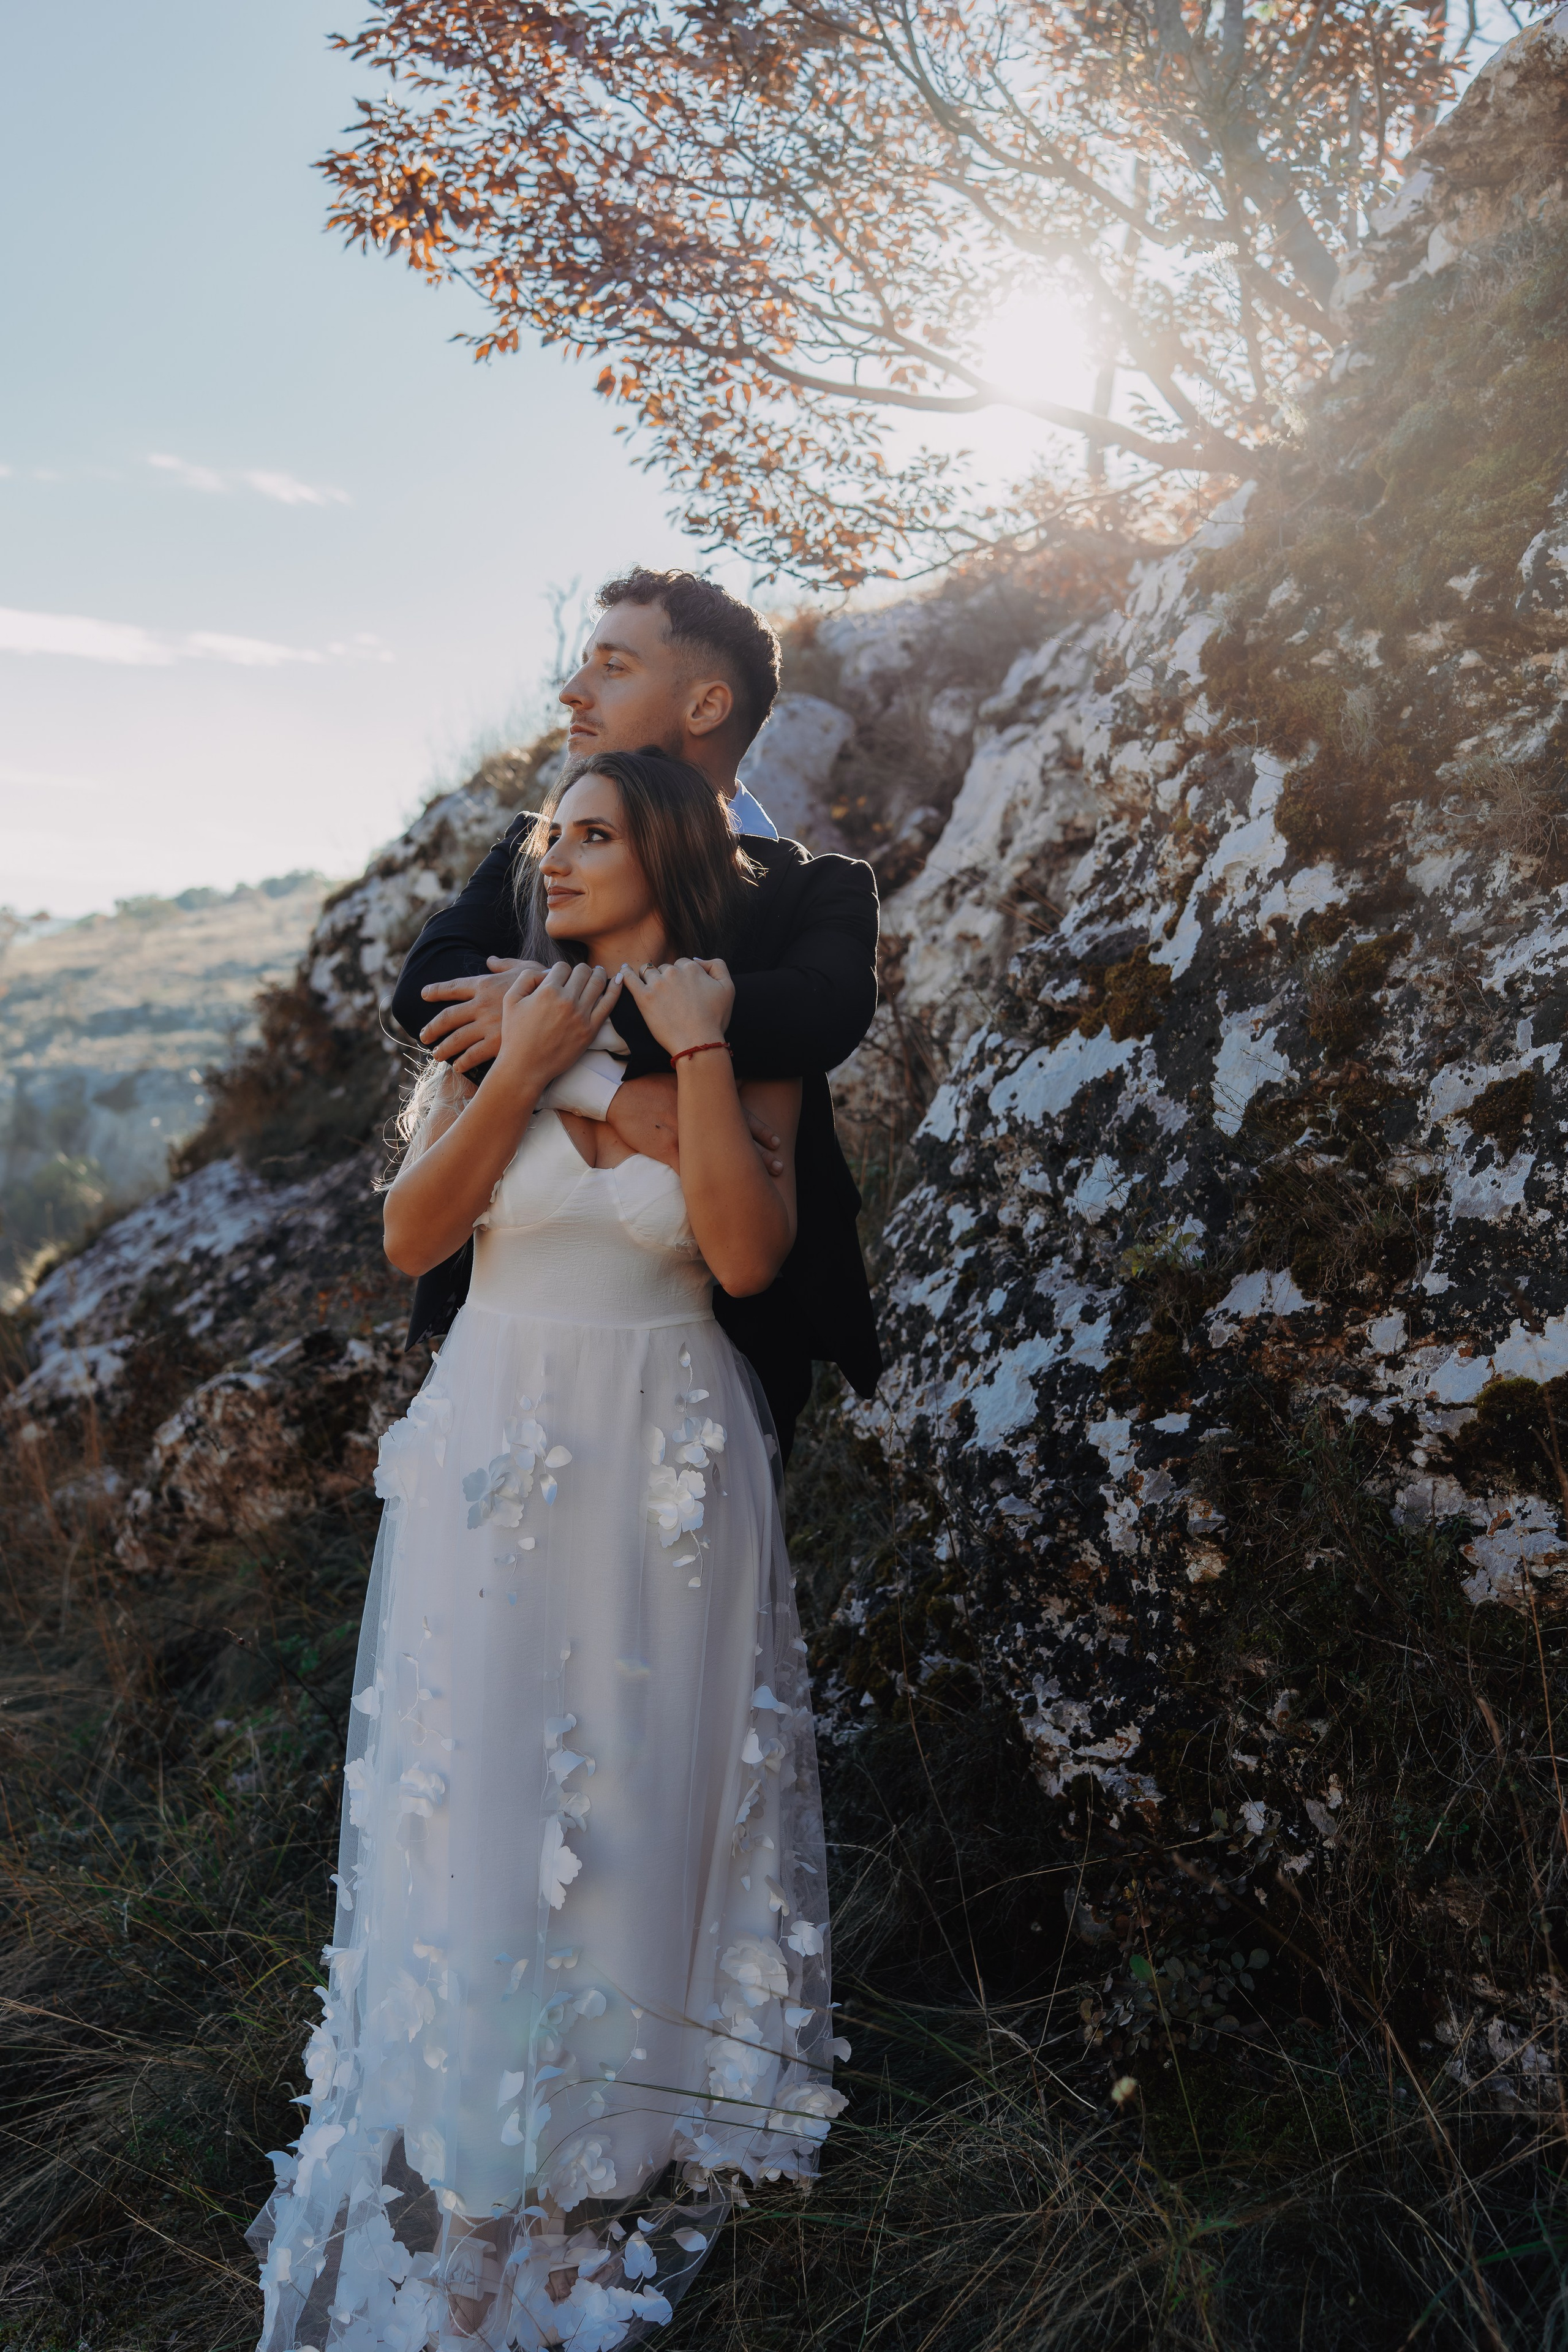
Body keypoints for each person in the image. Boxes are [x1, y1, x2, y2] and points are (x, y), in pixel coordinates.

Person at [252, 752, 844, 2352]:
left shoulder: (734, 1019)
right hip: (490, 1448)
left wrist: (697, 1052)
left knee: (645, 1810)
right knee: (483, 1809)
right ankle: (470, 2174)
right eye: (551, 835)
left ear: (667, 847)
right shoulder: (505, 1012)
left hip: (666, 1449)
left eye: (592, 833)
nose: (557, 856)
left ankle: (606, 2171)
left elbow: (742, 1248)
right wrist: (532, 1070)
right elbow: (411, 1233)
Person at [390, 568, 881, 1463]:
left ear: (705, 705)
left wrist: (559, 1023)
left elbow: (816, 1016)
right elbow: (426, 991)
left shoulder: (816, 891)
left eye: (613, 667)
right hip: (511, 1348)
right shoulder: (537, 852)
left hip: (724, 1356)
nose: (573, 692)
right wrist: (600, 1087)